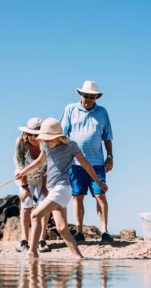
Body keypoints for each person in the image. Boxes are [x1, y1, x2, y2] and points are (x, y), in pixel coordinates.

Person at [15, 118, 108, 259]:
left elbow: (86, 165)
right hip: (54, 190)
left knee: (35, 215)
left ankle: (32, 253)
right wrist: (24, 171)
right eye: (44, 138)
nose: (45, 141)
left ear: (58, 137)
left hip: (62, 188)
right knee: (62, 228)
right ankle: (79, 257)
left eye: (48, 138)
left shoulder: (70, 146)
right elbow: (40, 161)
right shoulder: (45, 146)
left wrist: (99, 182)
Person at [60, 80, 114, 244]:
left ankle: (104, 231)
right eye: (85, 95)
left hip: (97, 162)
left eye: (91, 97)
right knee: (78, 196)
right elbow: (63, 134)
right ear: (81, 95)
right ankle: (79, 231)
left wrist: (110, 156)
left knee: (100, 195)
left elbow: (107, 136)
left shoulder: (102, 112)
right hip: (75, 163)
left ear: (96, 97)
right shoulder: (70, 109)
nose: (87, 99)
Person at [14, 118, 50, 253]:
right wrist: (24, 187)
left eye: (37, 134)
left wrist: (45, 187)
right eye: (31, 134)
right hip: (24, 177)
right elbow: (19, 165)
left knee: (43, 204)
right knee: (27, 203)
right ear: (26, 134)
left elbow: (48, 167)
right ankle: (24, 240)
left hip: (43, 177)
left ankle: (42, 240)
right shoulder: (20, 143)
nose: (34, 138)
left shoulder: (47, 144)